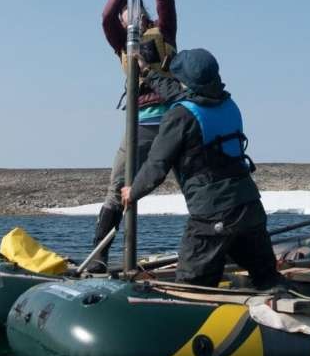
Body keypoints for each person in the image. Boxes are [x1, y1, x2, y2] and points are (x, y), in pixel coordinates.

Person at [121, 49, 283, 290]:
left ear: (186, 81)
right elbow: (180, 95)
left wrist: (132, 192)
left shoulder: (179, 117)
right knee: (267, 277)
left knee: (190, 287)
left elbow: (157, 165)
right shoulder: (227, 102)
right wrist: (147, 71)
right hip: (249, 208)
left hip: (213, 217)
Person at [87, 0, 178, 273]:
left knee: (198, 184)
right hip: (139, 123)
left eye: (134, 9)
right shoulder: (121, 44)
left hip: (175, 120)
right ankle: (99, 257)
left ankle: (223, 247)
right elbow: (106, 16)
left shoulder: (164, 32)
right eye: (126, 12)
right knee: (117, 189)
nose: (129, 14)